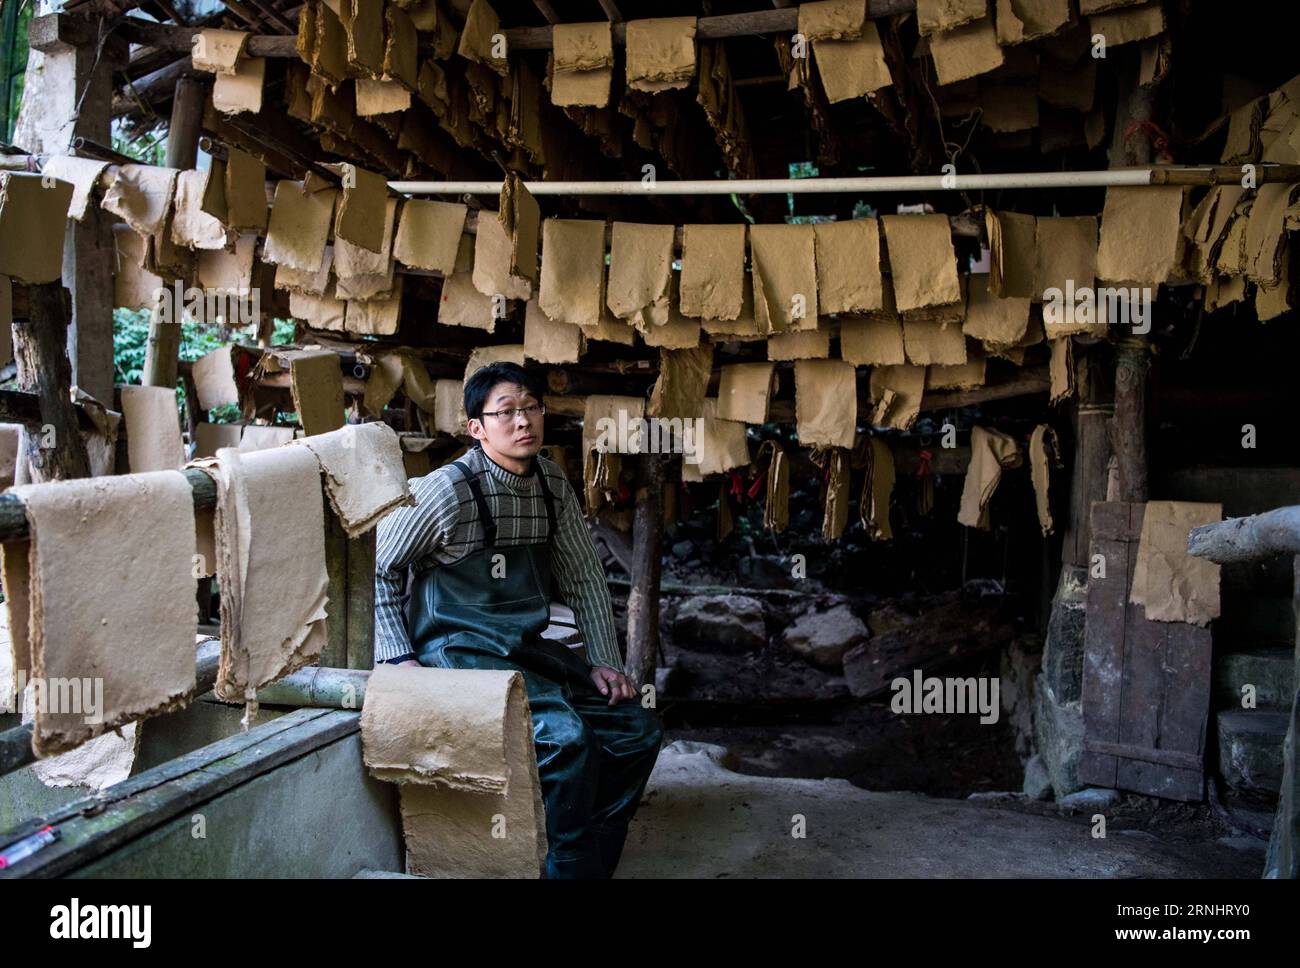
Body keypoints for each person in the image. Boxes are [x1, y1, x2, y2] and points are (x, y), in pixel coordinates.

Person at [374, 361, 663, 879]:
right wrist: (399, 657)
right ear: (477, 428)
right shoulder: (446, 491)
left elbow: (584, 578)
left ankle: (587, 860)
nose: (523, 421)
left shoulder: (552, 484)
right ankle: (567, 867)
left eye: (531, 407)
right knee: (565, 739)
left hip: (523, 648)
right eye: (506, 412)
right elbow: (381, 565)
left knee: (635, 730)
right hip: (457, 653)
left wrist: (602, 660)